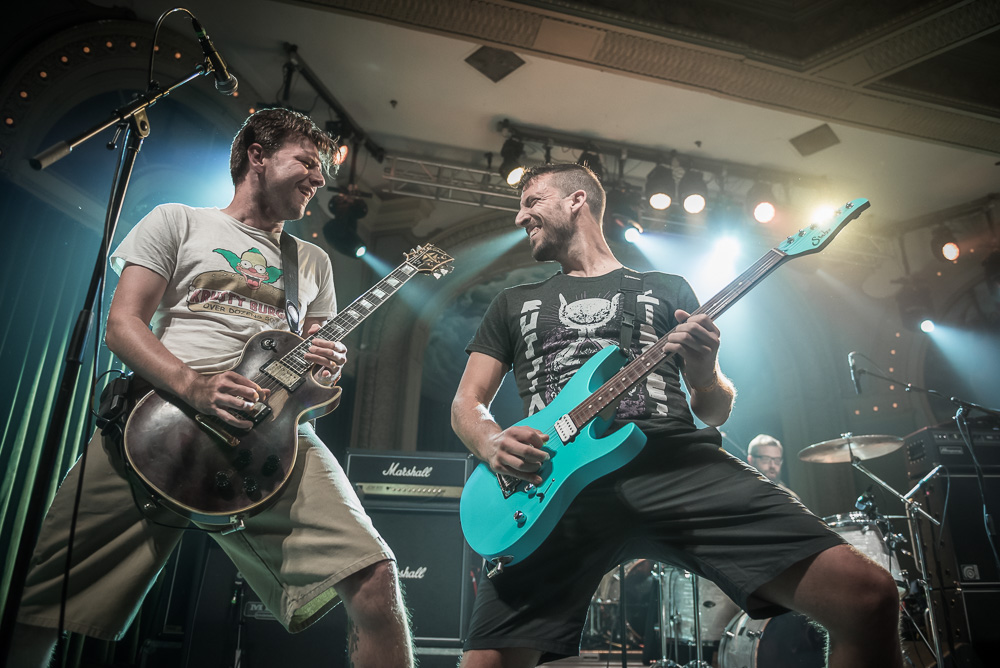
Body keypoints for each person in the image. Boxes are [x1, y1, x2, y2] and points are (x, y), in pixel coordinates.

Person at [451, 163, 901, 667]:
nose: (520, 217)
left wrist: (705, 370)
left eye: (531, 202)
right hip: (551, 485)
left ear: (576, 200)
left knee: (867, 596)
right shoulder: (514, 302)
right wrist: (491, 442)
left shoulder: (667, 288)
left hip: (673, 463)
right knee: (487, 663)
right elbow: (467, 403)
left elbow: (714, 410)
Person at [11, 109, 414, 668]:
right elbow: (122, 324)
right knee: (41, 609)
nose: (319, 179)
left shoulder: (313, 262)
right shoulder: (178, 220)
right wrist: (195, 388)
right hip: (155, 426)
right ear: (258, 154)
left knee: (374, 579)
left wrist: (324, 370)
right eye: (307, 161)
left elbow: (318, 379)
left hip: (269, 437)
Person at [746, 433, 801, 500]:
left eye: (777, 460)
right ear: (751, 460)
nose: (772, 465)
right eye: (765, 459)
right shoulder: (738, 492)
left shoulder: (791, 498)